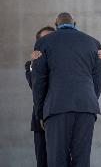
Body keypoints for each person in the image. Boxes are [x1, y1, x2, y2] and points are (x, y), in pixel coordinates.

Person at [32, 12, 101, 167]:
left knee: (57, 159)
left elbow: (39, 81)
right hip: (86, 108)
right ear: (75, 23)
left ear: (56, 25)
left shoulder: (44, 43)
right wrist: (90, 100)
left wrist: (40, 112)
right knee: (82, 160)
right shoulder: (93, 43)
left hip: (57, 108)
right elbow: (98, 80)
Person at [25, 26, 55, 167]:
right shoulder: (31, 65)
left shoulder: (64, 64)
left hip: (60, 117)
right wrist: (35, 64)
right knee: (42, 161)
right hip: (40, 121)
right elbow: (34, 85)